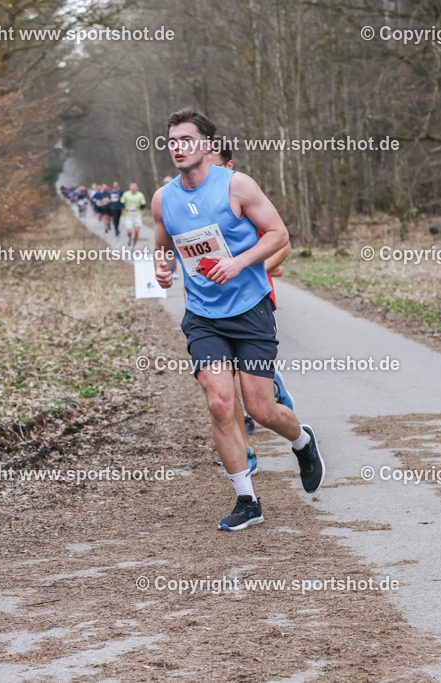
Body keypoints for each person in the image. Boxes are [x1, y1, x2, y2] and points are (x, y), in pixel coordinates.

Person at [153, 108, 325, 532]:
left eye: (186, 140)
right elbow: (164, 249)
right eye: (172, 141)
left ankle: (302, 441)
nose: (178, 148)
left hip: (250, 309)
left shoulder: (237, 185)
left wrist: (238, 263)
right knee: (219, 401)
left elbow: (278, 234)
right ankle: (247, 499)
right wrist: (162, 270)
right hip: (204, 316)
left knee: (261, 408)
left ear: (207, 146)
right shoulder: (164, 199)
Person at [206, 140, 295, 476]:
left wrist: (249, 267)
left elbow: (281, 244)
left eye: (213, 166)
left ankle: (272, 386)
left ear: (229, 167)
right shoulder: (194, 204)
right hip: (212, 309)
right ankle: (245, 452)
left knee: (252, 387)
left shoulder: (242, 200)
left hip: (254, 300)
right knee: (219, 387)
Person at [121, 182, 147, 248]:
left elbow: (144, 205)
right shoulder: (126, 194)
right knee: (129, 232)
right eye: (131, 186)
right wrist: (125, 207)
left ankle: (133, 246)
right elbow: (121, 203)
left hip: (137, 215)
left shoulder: (140, 195)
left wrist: (140, 206)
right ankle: (130, 238)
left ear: (137, 188)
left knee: (136, 232)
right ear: (130, 188)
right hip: (128, 215)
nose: (133, 188)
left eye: (134, 186)